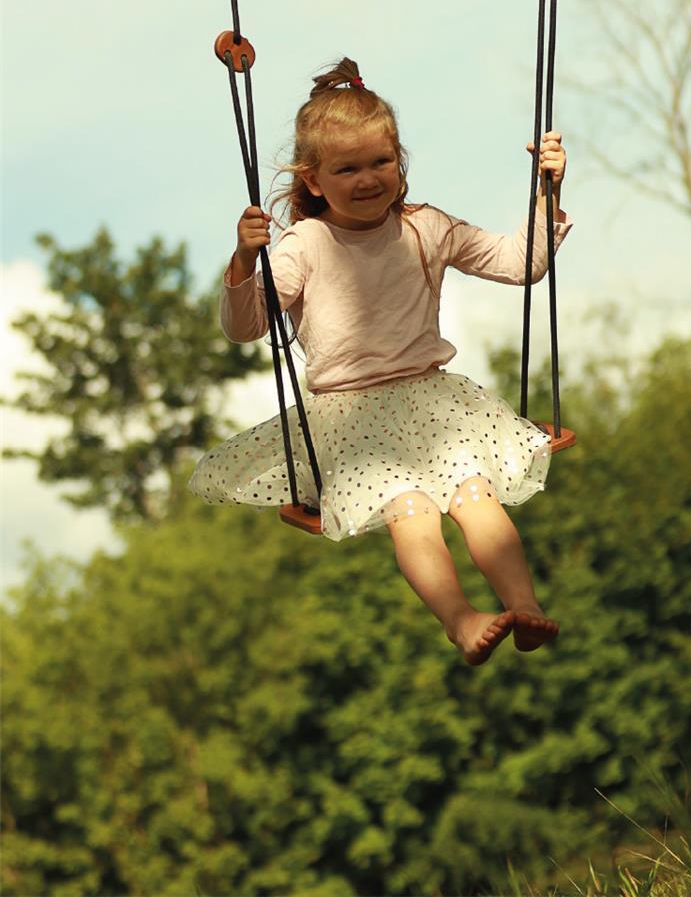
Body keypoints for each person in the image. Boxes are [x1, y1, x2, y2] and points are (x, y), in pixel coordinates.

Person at [188, 57, 572, 666]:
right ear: (313, 180)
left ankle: (524, 606)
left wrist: (548, 193)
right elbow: (246, 326)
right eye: (347, 168)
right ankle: (462, 619)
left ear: (400, 164)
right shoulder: (304, 245)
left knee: (477, 495)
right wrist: (242, 259)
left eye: (381, 163)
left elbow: (521, 264)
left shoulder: (427, 228)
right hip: (351, 421)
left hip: (437, 402)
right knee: (412, 511)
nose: (368, 179)